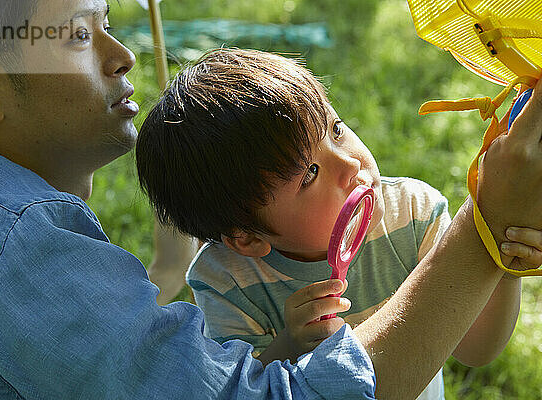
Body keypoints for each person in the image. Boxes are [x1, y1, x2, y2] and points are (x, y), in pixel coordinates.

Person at [0, 1, 541, 399]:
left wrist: (499, 257)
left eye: (108, 21)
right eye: (77, 35)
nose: (121, 54)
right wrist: (487, 223)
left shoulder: (408, 212)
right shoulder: (18, 244)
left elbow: (478, 348)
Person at [136, 48, 542, 398]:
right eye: (310, 173)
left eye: (336, 129)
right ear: (245, 238)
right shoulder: (227, 279)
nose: (351, 164)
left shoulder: (414, 213)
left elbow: (477, 351)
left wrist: (502, 269)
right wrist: (289, 345)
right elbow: (242, 387)